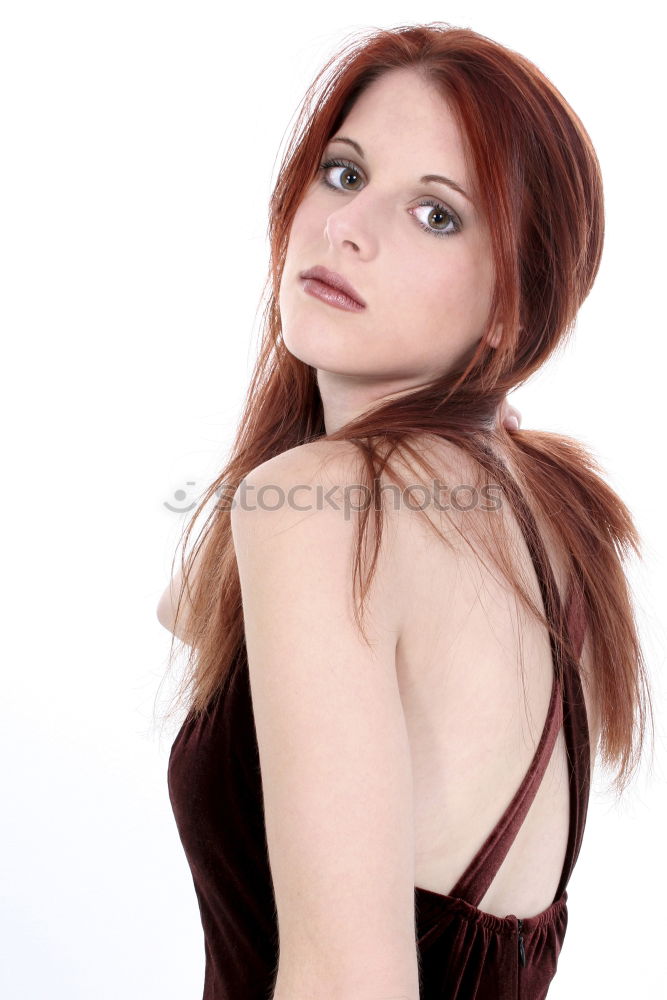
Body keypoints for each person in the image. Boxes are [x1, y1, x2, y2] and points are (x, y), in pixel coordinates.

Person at [158, 22, 653, 999]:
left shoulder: (333, 511)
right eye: (344, 174)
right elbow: (195, 612)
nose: (347, 227)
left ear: (512, 309)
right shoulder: (542, 508)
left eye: (436, 215)